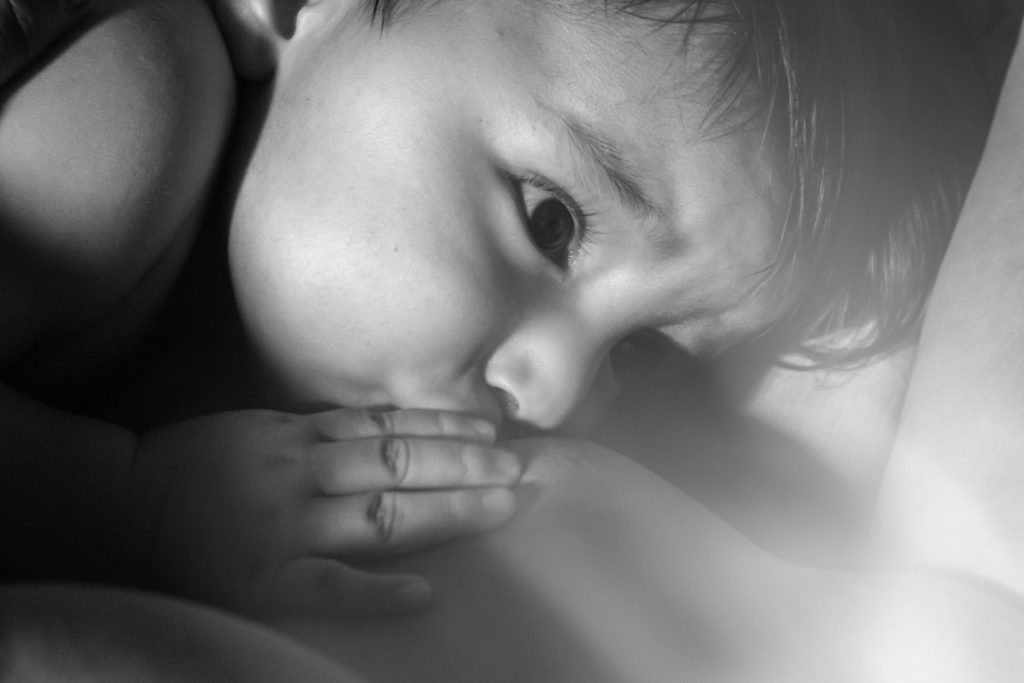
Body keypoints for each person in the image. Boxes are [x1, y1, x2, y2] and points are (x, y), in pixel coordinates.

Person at [0, 0, 1017, 679]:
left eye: (642, 351)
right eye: (551, 222)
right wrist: (126, 501)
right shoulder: (121, 110)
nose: (554, 390)